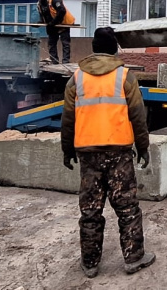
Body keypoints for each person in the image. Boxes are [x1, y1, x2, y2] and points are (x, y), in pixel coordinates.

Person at [61, 27, 156, 278]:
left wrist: (66, 149)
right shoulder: (125, 77)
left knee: (90, 210)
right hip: (119, 153)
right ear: (114, 49)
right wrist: (143, 147)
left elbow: (68, 119)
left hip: (88, 154)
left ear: (93, 48)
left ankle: (90, 263)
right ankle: (134, 258)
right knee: (127, 208)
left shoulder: (77, 79)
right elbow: (138, 116)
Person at [34, 0, 75, 64]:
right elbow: (43, 16)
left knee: (65, 43)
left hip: (63, 24)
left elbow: (62, 11)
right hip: (51, 26)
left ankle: (65, 61)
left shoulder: (55, 0)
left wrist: (54, 22)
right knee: (51, 43)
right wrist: (40, 23)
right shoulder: (39, 4)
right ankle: (54, 61)